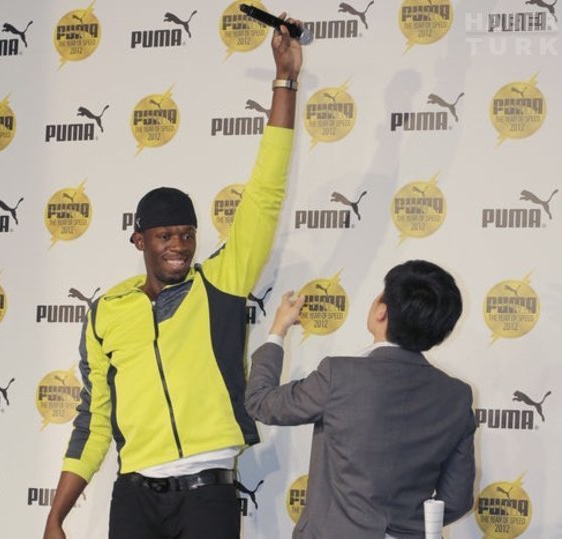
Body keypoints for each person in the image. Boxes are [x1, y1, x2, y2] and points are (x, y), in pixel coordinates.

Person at [43, 15, 303, 539]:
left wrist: (285, 81)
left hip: (206, 496)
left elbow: (265, 193)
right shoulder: (106, 312)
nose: (180, 246)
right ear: (139, 241)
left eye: (187, 234)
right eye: (165, 236)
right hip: (133, 498)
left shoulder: (220, 285)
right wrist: (56, 516)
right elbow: (95, 421)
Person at [245, 260, 476, 539]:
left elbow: (260, 402)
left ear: (381, 311)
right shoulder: (456, 396)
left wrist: (278, 330)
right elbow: (457, 499)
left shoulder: (339, 376)